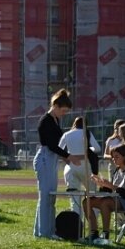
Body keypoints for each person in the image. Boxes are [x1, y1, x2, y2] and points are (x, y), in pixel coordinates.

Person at [33, 88, 81, 238]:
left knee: (49, 197)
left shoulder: (55, 120)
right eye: (63, 110)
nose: (64, 114)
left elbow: (58, 145)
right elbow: (52, 145)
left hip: (51, 159)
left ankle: (43, 231)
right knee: (46, 197)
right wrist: (68, 156)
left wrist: (66, 157)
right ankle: (44, 232)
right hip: (45, 158)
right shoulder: (46, 121)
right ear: (55, 106)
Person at [84, 144, 125, 242]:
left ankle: (105, 234)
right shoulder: (117, 170)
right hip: (115, 199)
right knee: (87, 201)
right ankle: (94, 233)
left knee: (105, 202)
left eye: (117, 157)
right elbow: (111, 191)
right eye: (113, 157)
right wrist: (102, 185)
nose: (114, 159)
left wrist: (110, 186)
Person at [58, 116, 101, 216]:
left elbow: (59, 150)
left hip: (70, 168)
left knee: (74, 198)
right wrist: (87, 151)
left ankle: (76, 223)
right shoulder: (87, 133)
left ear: (74, 123)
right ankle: (93, 220)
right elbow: (97, 148)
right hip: (86, 166)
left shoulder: (67, 134)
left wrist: (68, 160)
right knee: (91, 194)